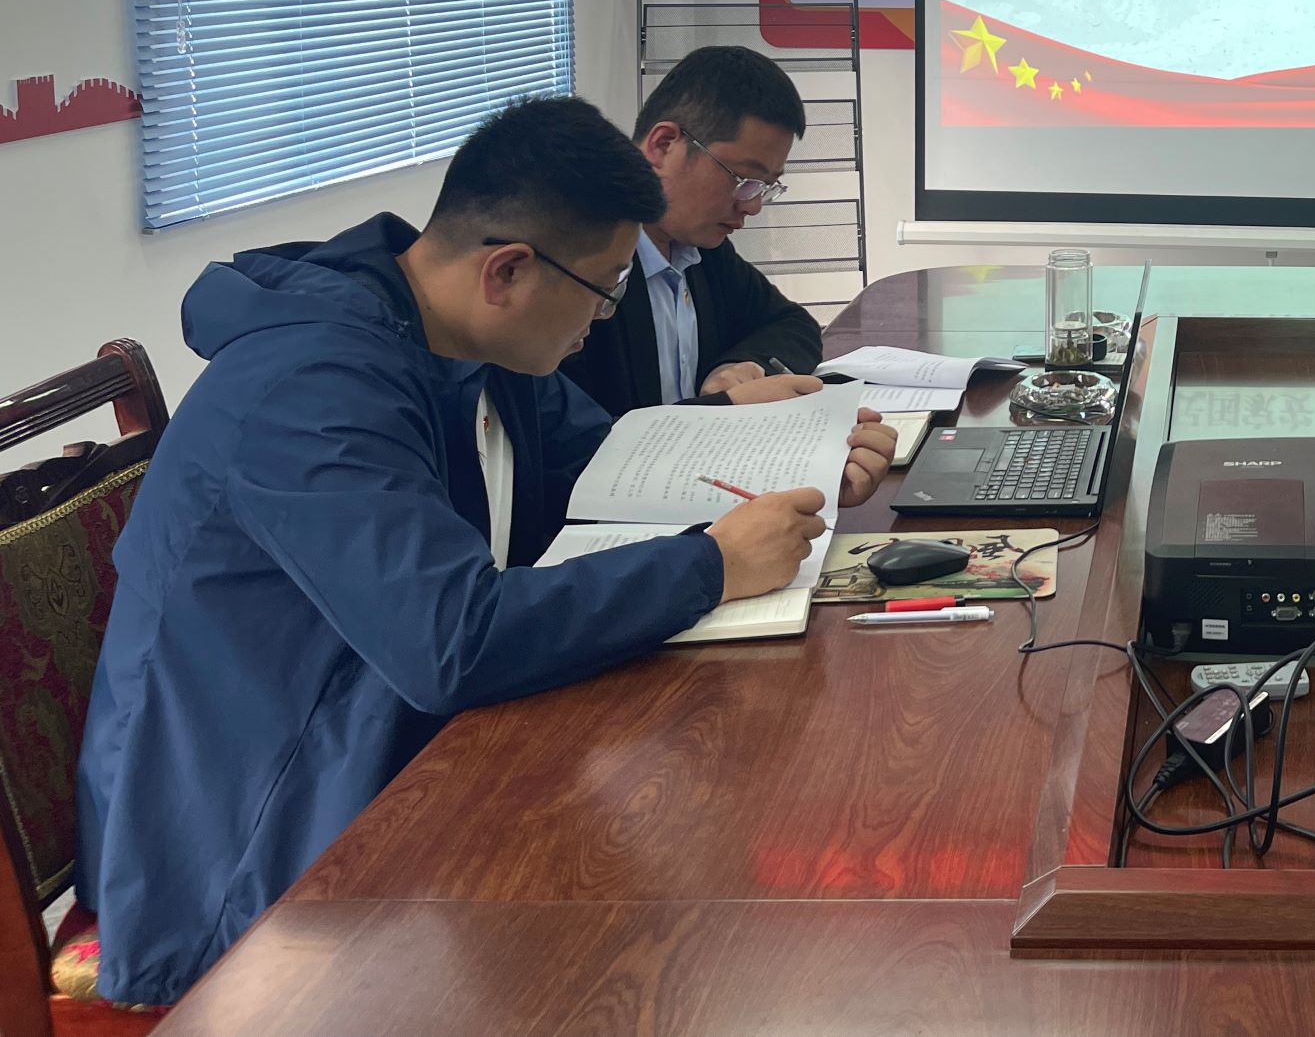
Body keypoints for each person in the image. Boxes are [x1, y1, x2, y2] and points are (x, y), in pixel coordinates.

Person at [73, 97, 846, 1006]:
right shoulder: (309, 389)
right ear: (507, 270)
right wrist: (711, 566)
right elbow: (451, 640)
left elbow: (610, 469)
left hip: (387, 748)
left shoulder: (457, 338)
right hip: (250, 840)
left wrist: (794, 458)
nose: (605, 318)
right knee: (644, 944)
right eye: (605, 288)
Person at [562, 45, 844, 421]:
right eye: (744, 179)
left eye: (765, 187)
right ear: (664, 145)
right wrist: (723, 406)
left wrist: (743, 366)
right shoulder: (580, 266)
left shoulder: (700, 249)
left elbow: (793, 324)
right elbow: (577, 439)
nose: (752, 206)